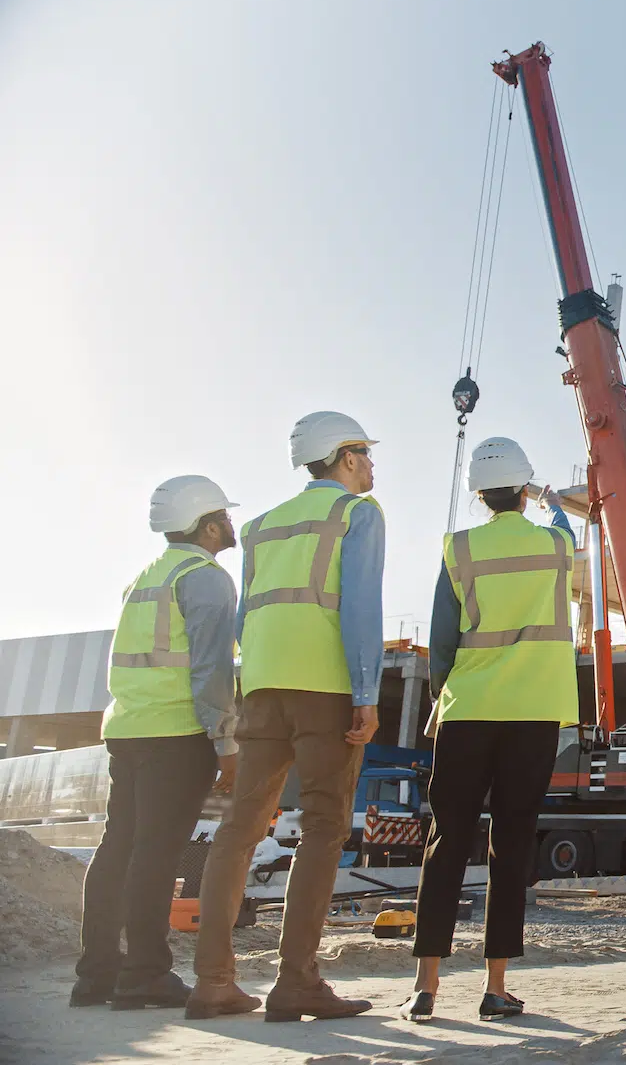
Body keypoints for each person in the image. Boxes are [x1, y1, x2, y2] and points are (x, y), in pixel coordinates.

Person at [187, 411, 385, 1023]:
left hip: (263, 687)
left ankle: (213, 981)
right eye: (368, 455)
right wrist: (366, 692)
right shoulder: (358, 514)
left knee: (240, 830)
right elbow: (360, 609)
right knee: (325, 826)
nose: (373, 466)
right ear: (346, 458)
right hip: (324, 688)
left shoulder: (263, 525)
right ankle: (295, 980)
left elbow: (248, 615)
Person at [406, 437, 575, 1023]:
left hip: (468, 709)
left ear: (479, 494)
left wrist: (441, 695)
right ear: (523, 491)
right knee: (511, 845)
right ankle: (495, 987)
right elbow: (569, 532)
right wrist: (553, 503)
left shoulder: (459, 549)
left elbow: (442, 637)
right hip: (533, 712)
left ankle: (425, 986)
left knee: (446, 841)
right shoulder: (554, 545)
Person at [72, 477, 243, 1011]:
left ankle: (96, 976)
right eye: (224, 515)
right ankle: (145, 973)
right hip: (177, 733)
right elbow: (211, 670)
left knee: (116, 849)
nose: (230, 524)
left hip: (128, 729)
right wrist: (226, 740)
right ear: (210, 524)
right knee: (155, 853)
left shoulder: (143, 579)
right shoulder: (206, 578)